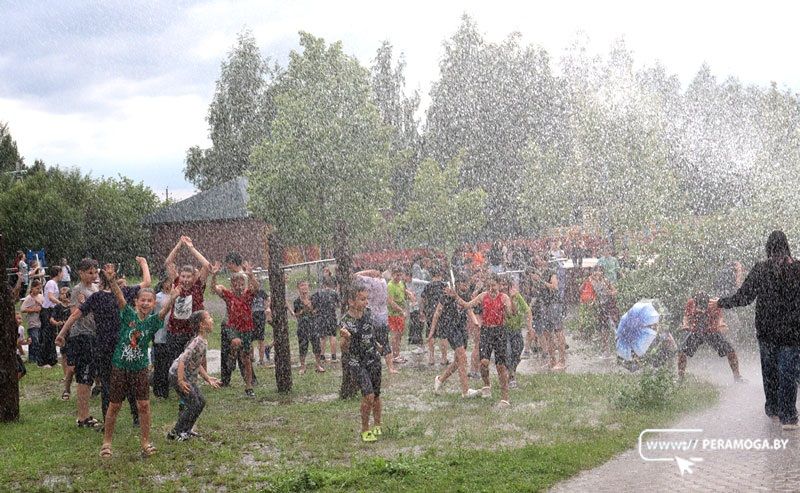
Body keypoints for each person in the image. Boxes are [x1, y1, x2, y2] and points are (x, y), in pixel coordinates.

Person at [715, 231, 800, 430]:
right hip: (792, 333)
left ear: (768, 247)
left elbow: (744, 297)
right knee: (788, 373)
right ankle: (789, 417)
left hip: (767, 331)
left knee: (770, 373)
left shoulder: (761, 269)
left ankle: (774, 410)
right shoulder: (797, 268)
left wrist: (721, 302)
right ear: (787, 246)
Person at [99, 269, 176, 458]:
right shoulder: (128, 315)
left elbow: (164, 312)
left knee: (144, 406)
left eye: (149, 301)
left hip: (140, 368)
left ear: (153, 304)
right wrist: (112, 281)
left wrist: (173, 297)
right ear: (136, 302)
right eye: (142, 300)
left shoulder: (153, 322)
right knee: (114, 405)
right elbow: (120, 298)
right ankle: (107, 442)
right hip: (120, 366)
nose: (146, 303)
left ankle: (145, 441)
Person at [452, 274, 515, 406]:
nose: (491, 288)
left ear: (499, 285)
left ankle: (505, 398)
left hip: (500, 332)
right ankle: (487, 385)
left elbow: (511, 315)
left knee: (500, 366)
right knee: (483, 363)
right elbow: (467, 305)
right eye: (489, 286)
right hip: (486, 331)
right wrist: (456, 296)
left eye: (494, 285)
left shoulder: (504, 297)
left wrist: (512, 300)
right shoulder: (483, 296)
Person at [163, 236, 211, 397]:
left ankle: (191, 385)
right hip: (175, 330)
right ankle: (179, 386)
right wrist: (178, 245)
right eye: (183, 276)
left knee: (192, 360)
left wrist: (190, 248)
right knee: (176, 360)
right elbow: (168, 263)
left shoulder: (198, 287)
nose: (185, 279)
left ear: (194, 277)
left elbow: (206, 265)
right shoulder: (176, 283)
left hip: (191, 331)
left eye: (188, 276)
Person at [339, 282, 384, 442]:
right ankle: (365, 429)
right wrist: (346, 338)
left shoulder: (369, 314)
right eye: (362, 299)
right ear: (351, 301)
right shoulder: (346, 321)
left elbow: (370, 334)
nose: (366, 302)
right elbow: (343, 348)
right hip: (357, 362)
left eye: (367, 299)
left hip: (373, 359)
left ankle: (377, 424)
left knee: (376, 395)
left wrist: (377, 345)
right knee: (368, 395)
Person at [167, 310, 221, 441]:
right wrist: (180, 380)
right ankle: (175, 432)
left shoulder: (203, 341)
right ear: (202, 324)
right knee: (193, 404)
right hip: (177, 375)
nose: (212, 320)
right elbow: (182, 360)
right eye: (209, 317)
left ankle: (187, 429)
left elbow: (197, 363)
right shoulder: (196, 342)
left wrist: (207, 378)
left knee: (200, 402)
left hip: (186, 377)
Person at [210, 261, 259, 396]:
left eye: (241, 284)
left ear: (245, 285)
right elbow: (214, 289)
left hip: (246, 328)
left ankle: (249, 386)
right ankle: (232, 355)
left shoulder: (248, 295)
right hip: (232, 327)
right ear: (231, 286)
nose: (239, 287)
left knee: (246, 359)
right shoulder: (229, 296)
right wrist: (214, 276)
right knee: (236, 342)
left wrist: (251, 275)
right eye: (236, 284)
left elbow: (256, 288)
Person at [430, 274, 480, 398]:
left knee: (458, 361)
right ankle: (465, 391)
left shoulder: (465, 294)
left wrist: (476, 322)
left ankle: (440, 380)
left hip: (462, 328)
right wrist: (431, 332)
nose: (466, 287)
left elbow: (468, 309)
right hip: (451, 328)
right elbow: (437, 313)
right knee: (463, 358)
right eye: (463, 284)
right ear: (457, 284)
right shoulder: (447, 295)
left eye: (467, 284)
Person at [677, 291, 743, 382]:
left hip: (712, 331)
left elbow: (720, 318)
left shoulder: (714, 304)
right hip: (696, 332)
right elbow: (686, 317)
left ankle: (737, 377)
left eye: (703, 308)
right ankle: (680, 378)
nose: (702, 311)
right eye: (699, 308)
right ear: (695, 302)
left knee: (731, 351)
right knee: (681, 352)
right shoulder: (690, 303)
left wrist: (721, 325)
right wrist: (685, 324)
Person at [219, 252, 256, 387]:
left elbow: (253, 290)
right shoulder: (237, 278)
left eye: (228, 264)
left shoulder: (242, 277)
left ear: (232, 263)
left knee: (242, 353)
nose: (227, 267)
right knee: (240, 349)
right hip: (234, 321)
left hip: (239, 321)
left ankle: (244, 379)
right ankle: (239, 375)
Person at [356, 269, 397, 374]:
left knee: (369, 342)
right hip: (383, 317)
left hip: (372, 317)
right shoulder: (383, 281)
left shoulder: (371, 281)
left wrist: (368, 272)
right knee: (385, 342)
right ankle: (390, 368)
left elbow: (355, 275)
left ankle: (369, 366)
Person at [502, 277, 532, 388]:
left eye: (506, 285)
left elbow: (527, 310)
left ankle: (512, 370)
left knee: (518, 350)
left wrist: (530, 327)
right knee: (508, 352)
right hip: (504, 330)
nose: (504, 287)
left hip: (516, 329)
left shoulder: (517, 296)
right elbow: (510, 313)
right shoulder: (500, 297)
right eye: (502, 285)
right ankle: (511, 376)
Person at [292, 280, 325, 375]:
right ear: (298, 288)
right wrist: (303, 310)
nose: (304, 287)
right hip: (302, 326)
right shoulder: (297, 301)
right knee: (302, 346)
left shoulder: (313, 299)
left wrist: (311, 308)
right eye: (302, 285)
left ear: (309, 287)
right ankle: (303, 366)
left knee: (316, 345)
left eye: (306, 285)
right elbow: (296, 315)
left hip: (313, 325)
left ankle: (318, 365)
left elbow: (317, 311)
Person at [590, 267, 620, 358]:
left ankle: (619, 347)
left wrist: (610, 292)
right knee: (603, 328)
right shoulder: (592, 282)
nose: (597, 273)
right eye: (595, 271)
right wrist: (593, 301)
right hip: (600, 307)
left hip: (610, 305)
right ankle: (606, 350)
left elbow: (615, 291)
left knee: (614, 326)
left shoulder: (606, 281)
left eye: (599, 271)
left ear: (602, 272)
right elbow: (594, 294)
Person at [49, 287, 74, 400]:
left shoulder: (72, 306)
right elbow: (51, 319)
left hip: (73, 333)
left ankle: (71, 372)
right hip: (62, 334)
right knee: (64, 355)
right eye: (61, 293)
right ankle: (65, 374)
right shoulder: (58, 307)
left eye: (65, 293)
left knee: (72, 354)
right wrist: (57, 323)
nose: (63, 295)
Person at [421, 268, 449, 366]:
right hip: (443, 312)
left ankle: (431, 357)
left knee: (431, 334)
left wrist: (422, 311)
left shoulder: (428, 286)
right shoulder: (444, 285)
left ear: (432, 275)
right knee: (443, 335)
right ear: (440, 274)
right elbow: (448, 298)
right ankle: (444, 358)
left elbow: (423, 299)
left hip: (430, 312)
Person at [387, 266, 414, 364]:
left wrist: (409, 294)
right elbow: (390, 301)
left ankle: (397, 354)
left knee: (400, 334)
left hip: (401, 314)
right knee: (395, 335)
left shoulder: (401, 283)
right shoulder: (390, 285)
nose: (398, 277)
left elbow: (403, 291)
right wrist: (401, 310)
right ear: (392, 275)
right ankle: (394, 356)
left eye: (400, 275)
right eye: (396, 275)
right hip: (393, 314)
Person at [39, 266, 63, 367]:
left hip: (52, 310)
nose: (62, 275)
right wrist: (60, 303)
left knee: (52, 336)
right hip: (47, 311)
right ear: (58, 273)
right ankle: (43, 361)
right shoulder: (51, 283)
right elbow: (50, 297)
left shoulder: (55, 283)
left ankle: (52, 360)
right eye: (61, 272)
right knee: (46, 336)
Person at [151, 280, 172, 398]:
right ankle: (159, 389)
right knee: (160, 363)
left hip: (171, 332)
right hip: (159, 333)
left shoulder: (176, 294)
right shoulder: (158, 297)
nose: (169, 284)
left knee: (168, 362)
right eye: (167, 281)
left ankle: (166, 387)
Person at [312, 277, 339, 362]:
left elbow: (313, 306)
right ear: (332, 285)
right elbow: (338, 305)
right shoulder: (334, 293)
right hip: (331, 317)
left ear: (323, 285)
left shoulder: (318, 293)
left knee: (322, 337)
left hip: (321, 317)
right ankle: (334, 357)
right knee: (332, 336)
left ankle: (322, 356)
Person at [20, 280, 43, 366]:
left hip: (40, 322)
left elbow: (44, 306)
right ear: (32, 288)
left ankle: (37, 358)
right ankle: (33, 359)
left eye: (40, 288)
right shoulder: (29, 298)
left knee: (38, 340)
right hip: (32, 323)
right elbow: (22, 309)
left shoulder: (41, 296)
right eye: (37, 288)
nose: (38, 290)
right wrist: (33, 309)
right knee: (34, 340)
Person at [252, 279, 272, 366]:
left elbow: (268, 299)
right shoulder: (249, 292)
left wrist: (267, 307)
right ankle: (251, 358)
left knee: (261, 339)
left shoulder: (261, 292)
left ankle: (261, 360)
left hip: (260, 315)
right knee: (250, 339)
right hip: (251, 316)